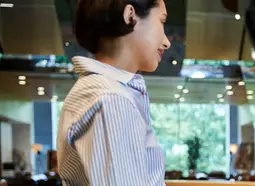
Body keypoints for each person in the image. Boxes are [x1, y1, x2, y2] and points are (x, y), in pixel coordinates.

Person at [56, 0, 170, 185]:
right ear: (130, 15)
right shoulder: (111, 99)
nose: (166, 42)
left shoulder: (103, 91)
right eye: (161, 21)